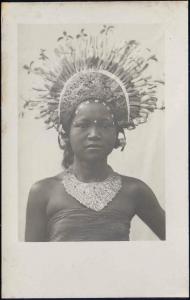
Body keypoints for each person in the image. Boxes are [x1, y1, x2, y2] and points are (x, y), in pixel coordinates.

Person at [23, 27, 165, 242]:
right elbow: (29, 266)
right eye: (83, 125)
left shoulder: (135, 190)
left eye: (105, 125)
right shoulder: (43, 192)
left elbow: (181, 248)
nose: (94, 134)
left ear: (118, 134)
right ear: (66, 132)